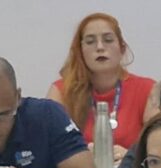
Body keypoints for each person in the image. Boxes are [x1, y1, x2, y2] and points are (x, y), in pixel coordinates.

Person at [53, 12, 155, 155]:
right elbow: (48, 148)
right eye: (90, 42)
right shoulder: (60, 92)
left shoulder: (147, 89)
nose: (100, 47)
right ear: (80, 51)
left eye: (108, 40)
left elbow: (160, 146)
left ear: (122, 49)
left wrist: (131, 158)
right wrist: (79, 155)